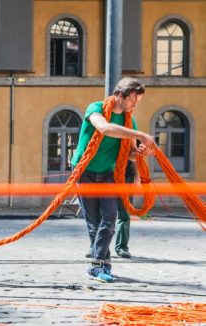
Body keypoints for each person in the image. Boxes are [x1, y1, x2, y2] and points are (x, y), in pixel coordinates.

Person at [71, 77, 155, 283]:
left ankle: (99, 263)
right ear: (120, 95)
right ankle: (100, 264)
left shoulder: (129, 121)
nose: (135, 105)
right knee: (94, 222)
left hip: (109, 173)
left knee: (109, 219)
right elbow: (104, 128)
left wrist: (141, 152)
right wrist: (141, 134)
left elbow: (129, 154)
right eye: (133, 101)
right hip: (84, 171)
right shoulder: (96, 108)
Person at [115, 160, 138, 258]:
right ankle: (98, 247)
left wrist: (137, 176)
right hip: (105, 173)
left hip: (126, 176)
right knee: (103, 214)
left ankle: (122, 247)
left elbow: (136, 156)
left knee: (124, 214)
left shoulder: (130, 143)